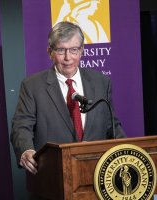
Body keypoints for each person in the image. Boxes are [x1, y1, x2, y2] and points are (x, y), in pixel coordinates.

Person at [10, 21, 125, 175]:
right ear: (49, 52)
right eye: (60, 50)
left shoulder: (101, 82)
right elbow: (21, 126)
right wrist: (26, 150)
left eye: (74, 50)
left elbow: (112, 125)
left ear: (82, 51)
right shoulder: (32, 85)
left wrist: (127, 150)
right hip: (52, 175)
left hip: (97, 174)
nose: (68, 57)